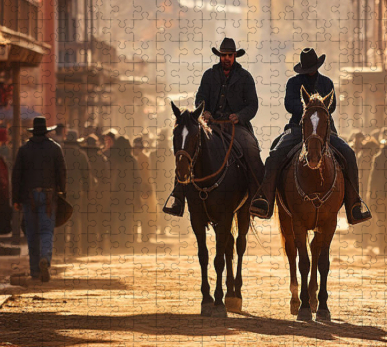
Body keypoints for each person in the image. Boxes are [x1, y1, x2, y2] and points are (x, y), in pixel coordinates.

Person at [250, 47, 372, 224]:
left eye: (311, 68)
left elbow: (332, 106)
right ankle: (266, 201)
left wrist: (317, 108)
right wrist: (308, 109)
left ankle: (354, 205)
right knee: (275, 156)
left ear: (317, 65)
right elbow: (289, 104)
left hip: (324, 131)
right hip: (297, 128)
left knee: (349, 155)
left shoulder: (327, 83)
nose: (310, 72)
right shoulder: (293, 83)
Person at [166, 38, 265, 217]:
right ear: (219, 56)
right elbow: (200, 98)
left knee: (251, 150)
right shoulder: (209, 75)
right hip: (211, 125)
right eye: (223, 55)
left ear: (235, 56)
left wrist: (240, 116)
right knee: (187, 149)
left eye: (229, 55)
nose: (226, 58)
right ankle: (178, 197)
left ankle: (259, 197)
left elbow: (253, 105)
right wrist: (206, 112)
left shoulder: (245, 77)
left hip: (236, 127)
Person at [12, 117, 67, 282]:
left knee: (32, 233)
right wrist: (62, 192)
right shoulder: (55, 149)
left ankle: (35, 270)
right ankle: (45, 259)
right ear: (46, 131)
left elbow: (16, 176)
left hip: (29, 197)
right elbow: (62, 173)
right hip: (49, 196)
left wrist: (16, 199)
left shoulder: (23, 150)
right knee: (46, 230)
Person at [57, 130, 91, 256]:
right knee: (75, 220)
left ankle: (60, 248)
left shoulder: (60, 153)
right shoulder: (81, 155)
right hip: (76, 193)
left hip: (61, 193)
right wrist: (88, 192)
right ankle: (74, 248)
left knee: (61, 220)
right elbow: (86, 176)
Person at [109, 136, 142, 248]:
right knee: (127, 219)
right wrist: (138, 196)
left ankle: (115, 242)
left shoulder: (111, 160)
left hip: (114, 195)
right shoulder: (132, 161)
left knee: (115, 220)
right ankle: (126, 242)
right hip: (129, 195)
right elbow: (137, 179)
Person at [80, 134, 109, 251]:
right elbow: (106, 178)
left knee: (85, 220)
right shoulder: (102, 158)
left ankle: (86, 245)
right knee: (100, 219)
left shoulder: (82, 157)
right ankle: (100, 244)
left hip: (85, 194)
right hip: (99, 194)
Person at [132, 136, 158, 240]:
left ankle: (138, 235)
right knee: (143, 214)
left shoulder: (137, 158)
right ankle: (144, 236)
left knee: (139, 214)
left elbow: (147, 175)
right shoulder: (143, 157)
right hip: (142, 189)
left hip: (141, 189)